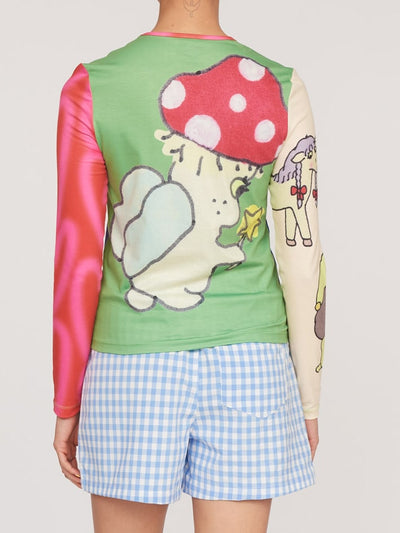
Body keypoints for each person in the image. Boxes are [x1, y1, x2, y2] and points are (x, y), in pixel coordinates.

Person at [52, 1, 326, 531]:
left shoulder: (93, 85)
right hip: (252, 365)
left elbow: (77, 257)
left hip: (131, 366)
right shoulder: (282, 86)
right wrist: (309, 401)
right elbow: (303, 255)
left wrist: (67, 398)